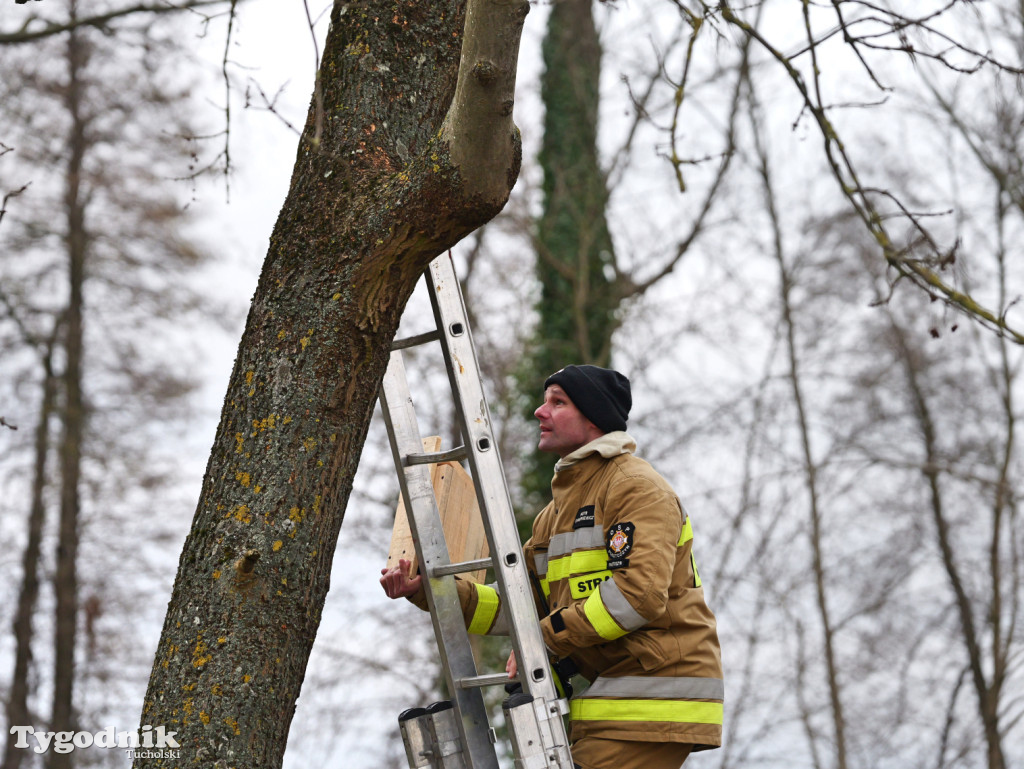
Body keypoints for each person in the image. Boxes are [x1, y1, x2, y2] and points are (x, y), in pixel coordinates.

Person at [380, 365, 723, 769]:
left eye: (558, 402)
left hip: (657, 694)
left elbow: (637, 597)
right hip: (611, 698)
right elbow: (517, 607)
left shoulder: (636, 488)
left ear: (594, 418)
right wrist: (428, 589)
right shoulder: (554, 514)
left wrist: (540, 640)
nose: (540, 412)